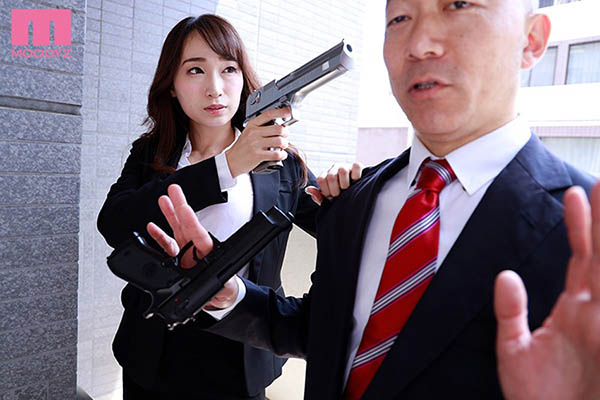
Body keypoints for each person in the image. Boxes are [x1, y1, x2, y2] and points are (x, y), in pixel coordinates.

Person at [147, 1, 600, 399]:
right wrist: (229, 294)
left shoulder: (585, 229)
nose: (420, 43)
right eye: (399, 18)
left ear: (531, 39)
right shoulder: (357, 200)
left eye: (459, 5)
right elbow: (319, 331)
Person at [97, 14, 360, 400]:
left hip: (244, 353)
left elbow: (342, 229)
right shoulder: (152, 152)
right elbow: (114, 225)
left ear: (244, 79)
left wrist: (348, 192)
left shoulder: (281, 162)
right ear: (172, 86)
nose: (215, 88)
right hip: (154, 351)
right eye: (195, 70)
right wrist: (227, 166)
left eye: (229, 69)